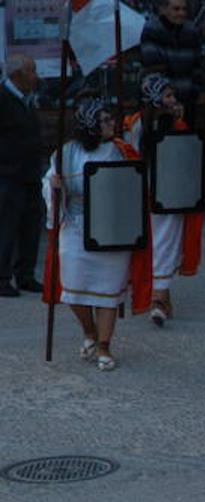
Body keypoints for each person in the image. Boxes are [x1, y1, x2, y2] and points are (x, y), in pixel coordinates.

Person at [42, 97, 150, 372]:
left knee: (107, 290)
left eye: (110, 118)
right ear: (89, 124)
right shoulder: (64, 153)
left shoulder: (121, 150)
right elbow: (51, 183)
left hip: (112, 228)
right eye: (104, 120)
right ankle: (89, 332)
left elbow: (135, 183)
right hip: (76, 226)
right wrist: (54, 187)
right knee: (73, 290)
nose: (111, 123)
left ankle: (104, 345)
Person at [124, 74, 205, 327]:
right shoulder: (140, 125)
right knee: (162, 245)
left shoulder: (139, 123)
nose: (173, 99)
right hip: (158, 194)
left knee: (161, 244)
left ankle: (163, 297)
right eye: (168, 95)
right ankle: (157, 299)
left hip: (162, 193)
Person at [0, 55, 44, 297]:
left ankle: (25, 274)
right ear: (17, 75)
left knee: (30, 225)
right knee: (6, 227)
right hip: (9, 174)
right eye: (31, 71)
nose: (35, 76)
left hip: (30, 173)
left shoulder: (26, 100)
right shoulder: (3, 99)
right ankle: (2, 277)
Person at [139, 0, 205, 125]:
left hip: (188, 100)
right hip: (159, 106)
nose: (181, 13)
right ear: (163, 10)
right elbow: (154, 67)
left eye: (184, 9)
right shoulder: (152, 29)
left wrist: (194, 93)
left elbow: (197, 66)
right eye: (176, 9)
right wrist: (169, 101)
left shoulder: (192, 31)